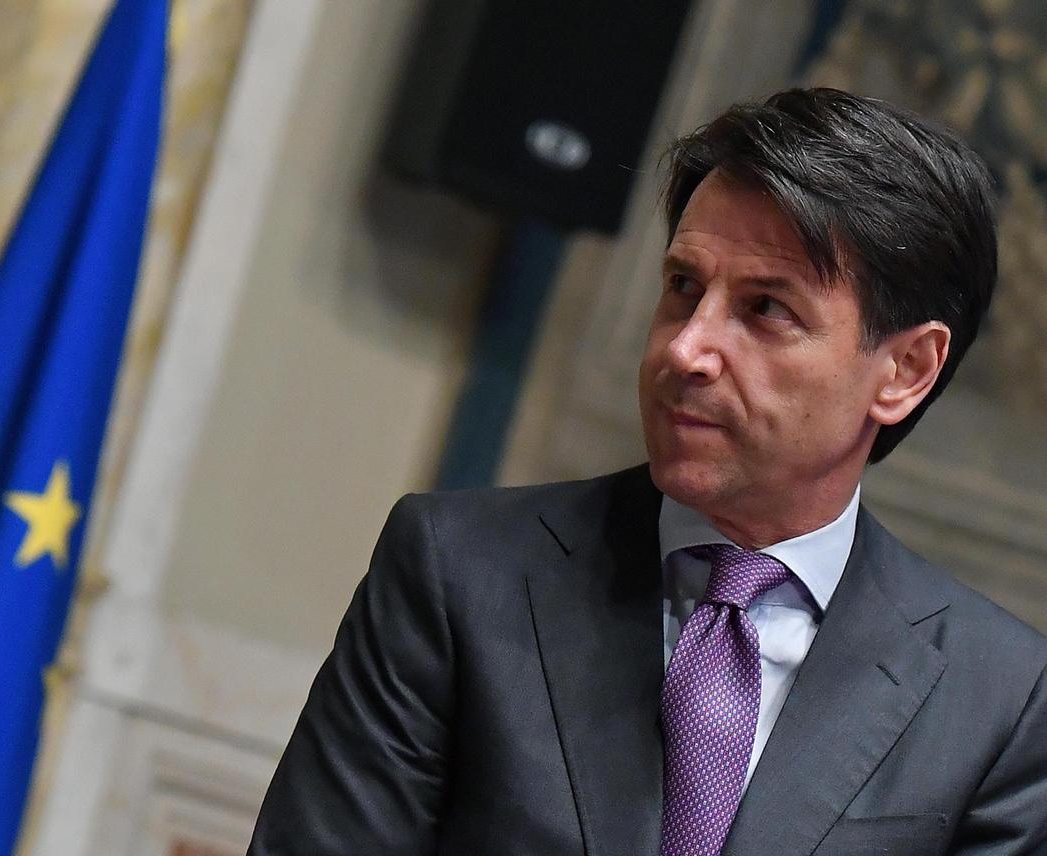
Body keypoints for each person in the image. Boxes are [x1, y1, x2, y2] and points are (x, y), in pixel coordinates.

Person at [248, 88, 1047, 855]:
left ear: (906, 370)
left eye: (766, 309)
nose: (686, 348)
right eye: (683, 287)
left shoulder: (1000, 701)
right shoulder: (458, 572)